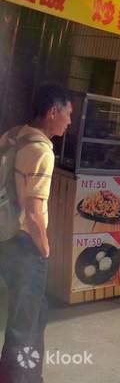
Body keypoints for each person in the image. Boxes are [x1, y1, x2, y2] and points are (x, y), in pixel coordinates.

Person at [0, 84, 71, 382]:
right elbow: (32, 212)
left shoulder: (14, 134)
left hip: (4, 236)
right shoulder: (42, 151)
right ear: (53, 111)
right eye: (68, 114)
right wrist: (44, 249)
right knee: (26, 324)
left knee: (25, 314)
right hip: (24, 244)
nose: (69, 122)